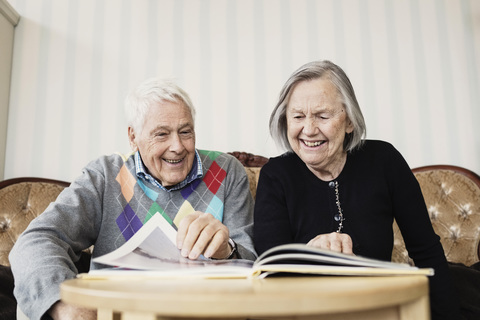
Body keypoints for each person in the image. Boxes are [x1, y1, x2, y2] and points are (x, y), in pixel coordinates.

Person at [10, 78, 257, 320]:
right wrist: (65, 305)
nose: (178, 146)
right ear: (133, 137)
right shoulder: (105, 175)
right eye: (161, 134)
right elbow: (37, 240)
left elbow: (253, 265)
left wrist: (228, 251)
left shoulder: (227, 171)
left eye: (185, 132)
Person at [253, 60, 461, 319]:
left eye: (322, 116)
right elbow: (268, 267)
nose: (308, 129)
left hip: (378, 311)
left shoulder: (384, 160)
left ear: (349, 121)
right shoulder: (276, 175)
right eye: (297, 116)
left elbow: (426, 251)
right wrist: (307, 253)